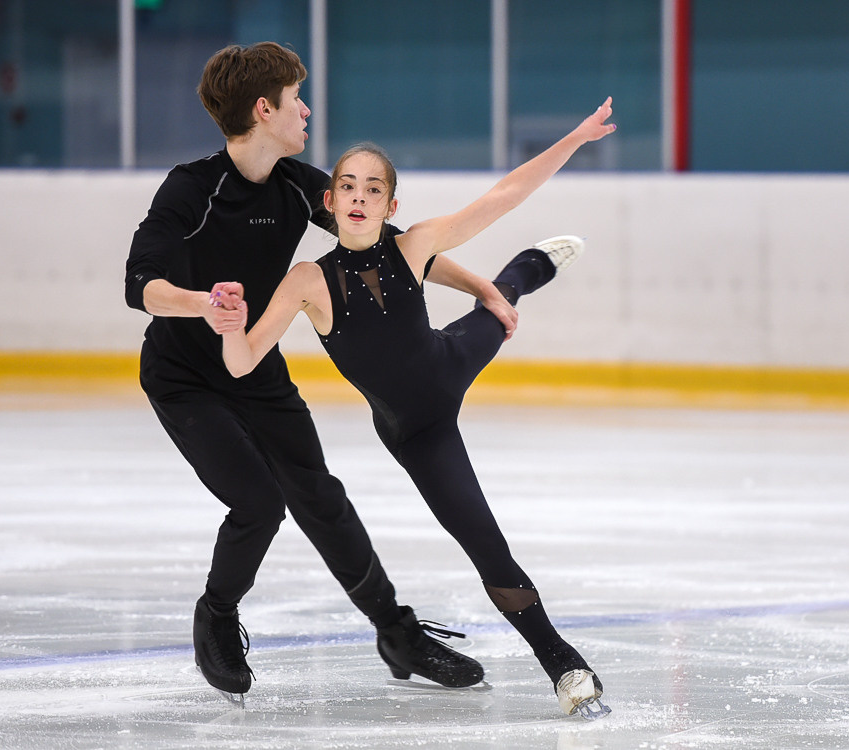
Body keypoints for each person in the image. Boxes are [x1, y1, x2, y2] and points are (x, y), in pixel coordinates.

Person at [124, 42, 518, 701]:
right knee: (258, 503)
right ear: (264, 109)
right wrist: (203, 305)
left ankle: (396, 633)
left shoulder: (295, 184)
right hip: (184, 374)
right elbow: (140, 284)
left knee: (320, 497)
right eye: (295, 99)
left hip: (256, 370)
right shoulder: (192, 188)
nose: (305, 110)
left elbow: (386, 247)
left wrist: (482, 288)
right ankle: (216, 614)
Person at [213, 98, 617, 718]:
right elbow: (242, 363)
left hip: (449, 362)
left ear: (390, 206)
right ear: (330, 201)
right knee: (486, 544)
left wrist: (576, 138)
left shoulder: (414, 245)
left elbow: (505, 195)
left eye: (373, 189)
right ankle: (564, 663)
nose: (359, 197)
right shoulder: (306, 281)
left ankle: (526, 269)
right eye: (349, 186)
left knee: (497, 306)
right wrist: (229, 326)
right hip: (419, 432)